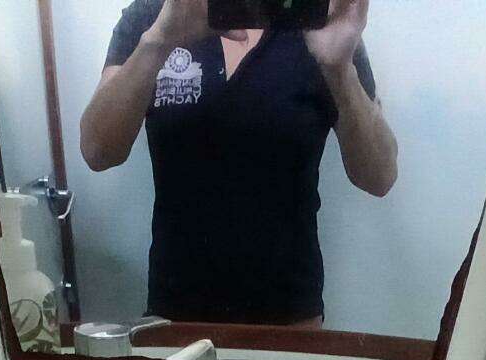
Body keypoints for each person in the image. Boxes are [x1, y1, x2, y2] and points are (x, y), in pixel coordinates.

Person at [79, 0, 397, 326]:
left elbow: (380, 177)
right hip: (175, 314)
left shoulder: (318, 17)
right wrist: (158, 41)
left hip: (290, 318)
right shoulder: (156, 14)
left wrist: (340, 71)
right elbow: (98, 151)